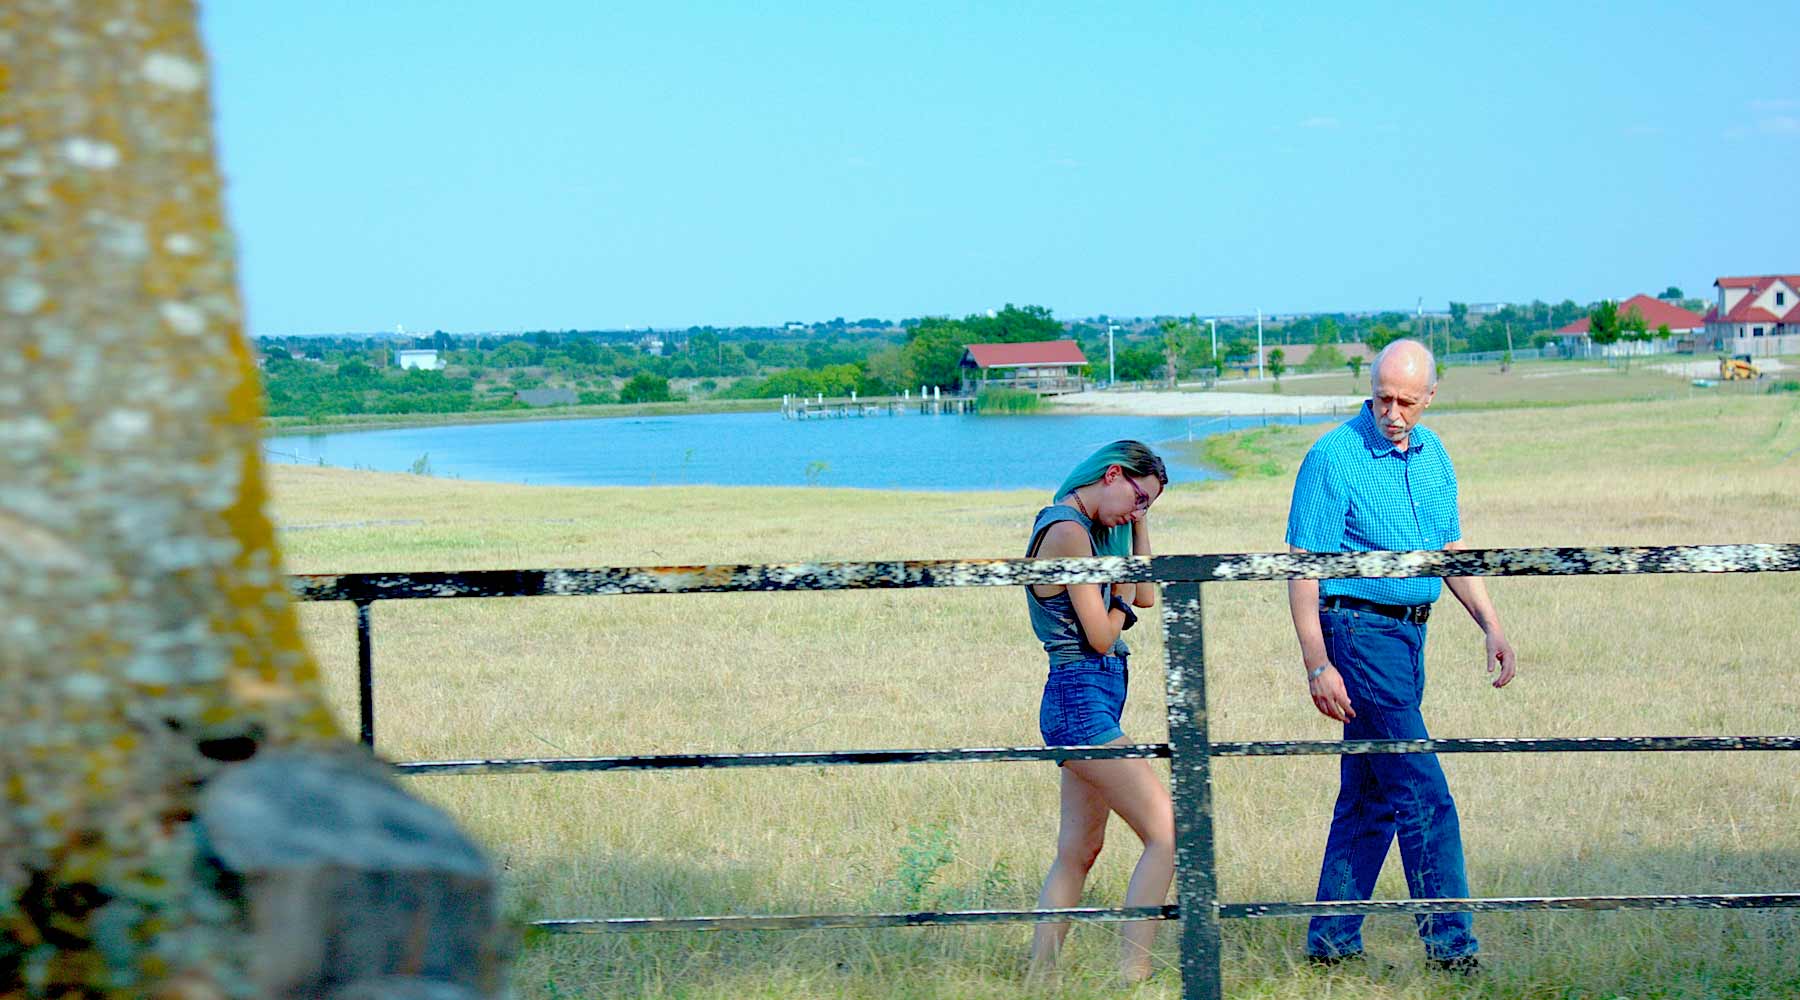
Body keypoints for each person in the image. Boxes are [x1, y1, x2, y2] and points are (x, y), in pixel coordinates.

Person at [1284, 338, 1517, 974]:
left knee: (1370, 795)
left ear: (1430, 397)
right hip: (1357, 633)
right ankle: (1454, 951)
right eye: (1383, 397)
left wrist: (1490, 625)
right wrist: (1316, 663)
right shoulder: (1333, 457)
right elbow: (1303, 570)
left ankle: (1330, 943)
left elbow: (1448, 550)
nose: (1393, 412)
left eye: (1407, 401)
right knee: (1422, 790)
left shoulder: (1435, 454)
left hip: (1413, 634)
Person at [1024, 440, 1172, 984]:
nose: (1137, 511)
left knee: (1080, 850)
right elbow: (1103, 635)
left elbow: (1146, 594)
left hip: (1091, 699)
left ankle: (1040, 977)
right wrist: (1119, 606)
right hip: (1079, 699)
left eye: (1147, 505)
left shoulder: (1092, 531)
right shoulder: (1065, 531)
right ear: (1112, 474)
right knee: (1167, 831)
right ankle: (1133, 973)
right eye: (1136, 497)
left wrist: (1137, 522)